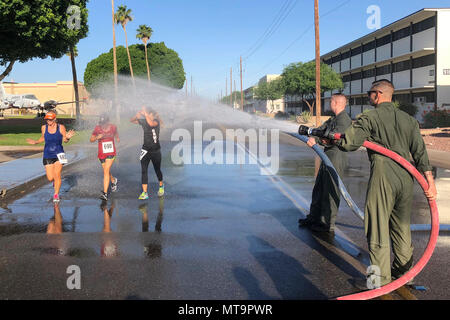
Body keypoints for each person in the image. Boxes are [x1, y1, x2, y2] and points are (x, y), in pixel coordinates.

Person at [336, 79, 437, 288]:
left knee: (377, 226)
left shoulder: (370, 116)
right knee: (401, 226)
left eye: (369, 94)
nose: (368, 97)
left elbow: (350, 143)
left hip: (384, 175)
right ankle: (405, 273)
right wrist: (429, 181)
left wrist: (334, 139)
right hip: (406, 177)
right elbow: (420, 152)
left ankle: (378, 280)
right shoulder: (409, 120)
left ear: (378, 94)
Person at [298, 94, 352, 233]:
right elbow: (322, 130)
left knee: (330, 189)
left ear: (336, 103)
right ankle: (314, 218)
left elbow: (334, 138)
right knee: (319, 187)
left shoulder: (344, 120)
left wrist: (318, 140)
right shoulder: (333, 119)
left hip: (337, 156)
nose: (329, 103)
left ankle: (326, 223)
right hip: (327, 155)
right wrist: (313, 135)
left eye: (330, 101)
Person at [26, 110, 75, 202]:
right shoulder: (44, 128)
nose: (49, 122)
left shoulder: (61, 127)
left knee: (57, 175)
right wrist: (36, 142)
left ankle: (56, 194)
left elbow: (65, 140)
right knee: (50, 177)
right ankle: (55, 182)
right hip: (48, 154)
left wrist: (67, 137)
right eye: (47, 120)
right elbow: (43, 137)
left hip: (59, 154)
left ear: (55, 119)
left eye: (50, 120)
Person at [130, 106, 165, 199]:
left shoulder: (156, 122)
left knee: (157, 170)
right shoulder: (145, 121)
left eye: (148, 114)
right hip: (145, 150)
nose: (147, 116)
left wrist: (144, 114)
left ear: (152, 115)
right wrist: (137, 115)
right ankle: (145, 193)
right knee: (144, 171)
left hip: (156, 151)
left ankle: (161, 186)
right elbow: (132, 121)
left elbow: (150, 123)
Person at [90, 113, 119, 201]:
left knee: (106, 171)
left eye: (104, 123)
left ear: (108, 122)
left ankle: (105, 193)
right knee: (106, 171)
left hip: (111, 152)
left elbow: (116, 133)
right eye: (101, 123)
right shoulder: (97, 128)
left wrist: (117, 138)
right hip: (101, 154)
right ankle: (113, 180)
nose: (102, 125)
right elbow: (91, 140)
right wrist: (96, 137)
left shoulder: (113, 127)